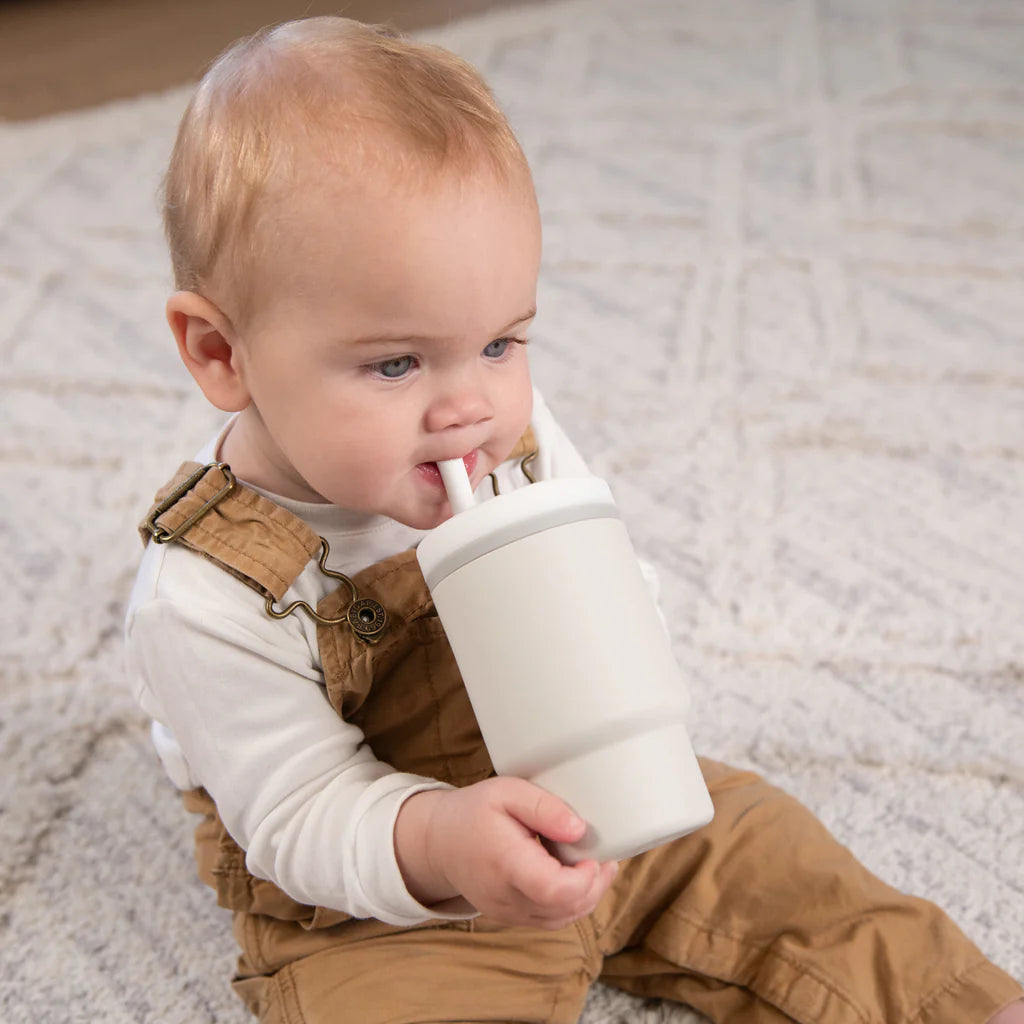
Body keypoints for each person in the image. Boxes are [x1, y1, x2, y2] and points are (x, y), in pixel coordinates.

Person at [124, 16, 1023, 1024]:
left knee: (776, 859)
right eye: (395, 362)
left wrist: (624, 660)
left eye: (502, 342)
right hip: (389, 899)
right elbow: (296, 815)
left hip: (599, 794)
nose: (472, 405)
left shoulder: (503, 437)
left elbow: (610, 584)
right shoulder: (210, 593)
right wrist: (442, 844)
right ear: (219, 353)